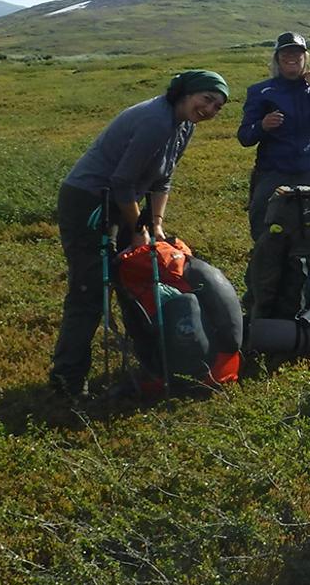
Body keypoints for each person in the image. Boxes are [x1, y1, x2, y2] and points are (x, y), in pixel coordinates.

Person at [50, 70, 230, 399]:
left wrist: (155, 226)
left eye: (218, 107)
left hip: (122, 200)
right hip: (89, 201)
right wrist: (138, 229)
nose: (210, 109)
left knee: (134, 278)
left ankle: (151, 362)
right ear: (186, 93)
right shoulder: (156, 121)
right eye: (206, 99)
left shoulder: (184, 125)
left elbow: (162, 180)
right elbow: (122, 182)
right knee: (89, 291)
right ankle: (67, 382)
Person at [237, 31, 310, 240]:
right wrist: (262, 125)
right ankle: (266, 266)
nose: (291, 57)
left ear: (305, 58)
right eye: (285, 53)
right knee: (263, 227)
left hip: (309, 170)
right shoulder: (261, 91)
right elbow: (245, 136)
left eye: (297, 53)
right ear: (277, 58)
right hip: (272, 172)